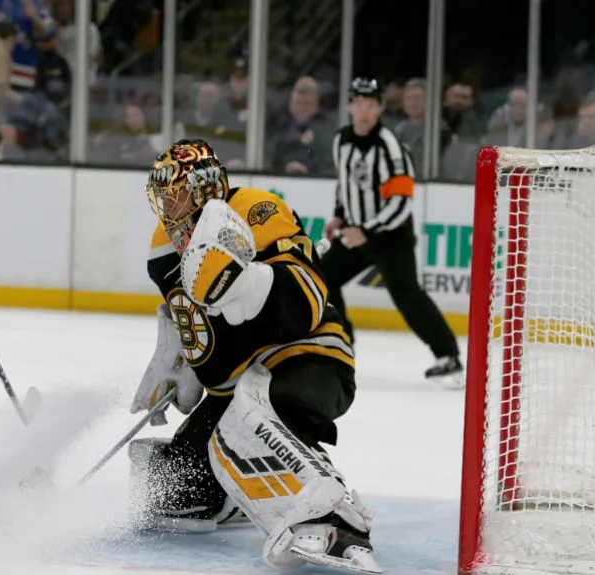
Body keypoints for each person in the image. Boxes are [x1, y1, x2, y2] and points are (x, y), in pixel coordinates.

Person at [129, 139, 381, 574]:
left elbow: (310, 295)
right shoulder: (162, 249)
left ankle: (333, 516)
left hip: (308, 358)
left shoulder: (255, 209)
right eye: (163, 198)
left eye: (178, 195)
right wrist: (179, 361)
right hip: (243, 382)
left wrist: (249, 286)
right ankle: (242, 497)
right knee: (176, 494)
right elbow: (198, 331)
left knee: (251, 423)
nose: (169, 209)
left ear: (206, 188)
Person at [322, 78, 462, 385]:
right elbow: (346, 186)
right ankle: (342, 343)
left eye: (370, 104)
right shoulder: (341, 141)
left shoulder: (391, 147)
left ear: (380, 108)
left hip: (390, 236)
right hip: (357, 232)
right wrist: (339, 217)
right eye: (358, 103)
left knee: (407, 294)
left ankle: (448, 355)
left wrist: (368, 231)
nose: (364, 110)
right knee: (322, 274)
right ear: (349, 107)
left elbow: (401, 202)